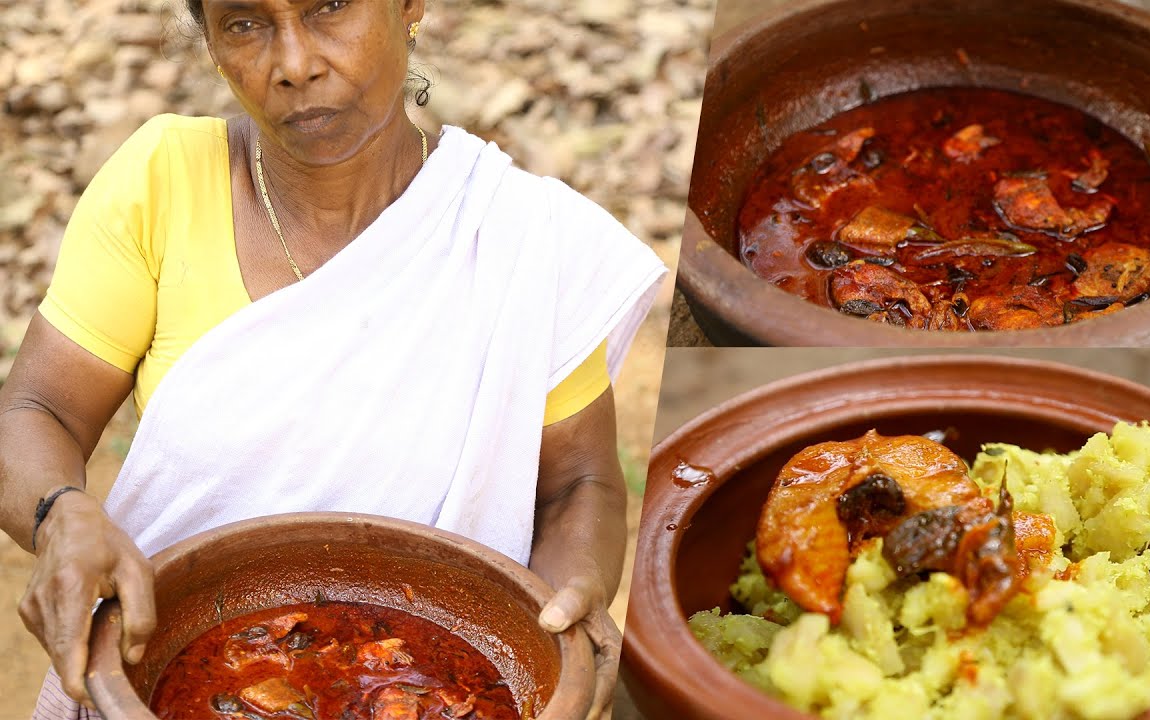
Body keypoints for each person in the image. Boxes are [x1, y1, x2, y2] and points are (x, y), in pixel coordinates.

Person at [0, 1, 666, 718]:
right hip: (151, 671)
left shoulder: (520, 238)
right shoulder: (163, 183)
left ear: (409, 7)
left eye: (330, 7)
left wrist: (567, 608)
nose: (294, 64)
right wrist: (59, 514)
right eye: (245, 23)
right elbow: (39, 408)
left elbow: (578, 483)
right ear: (212, 41)